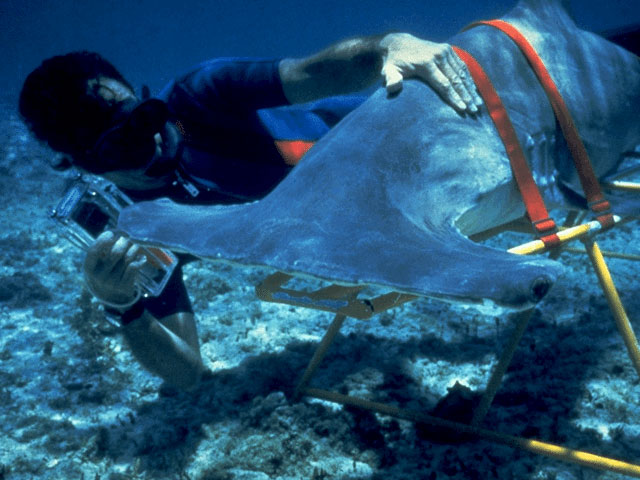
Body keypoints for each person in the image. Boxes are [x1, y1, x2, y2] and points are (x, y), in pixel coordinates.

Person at [20, 33, 482, 390]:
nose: (151, 142)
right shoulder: (138, 223)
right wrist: (122, 305)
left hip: (402, 130)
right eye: (120, 147)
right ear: (80, 166)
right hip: (379, 212)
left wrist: (390, 46)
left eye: (141, 118)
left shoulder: (199, 96)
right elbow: (186, 371)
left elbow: (318, 70)